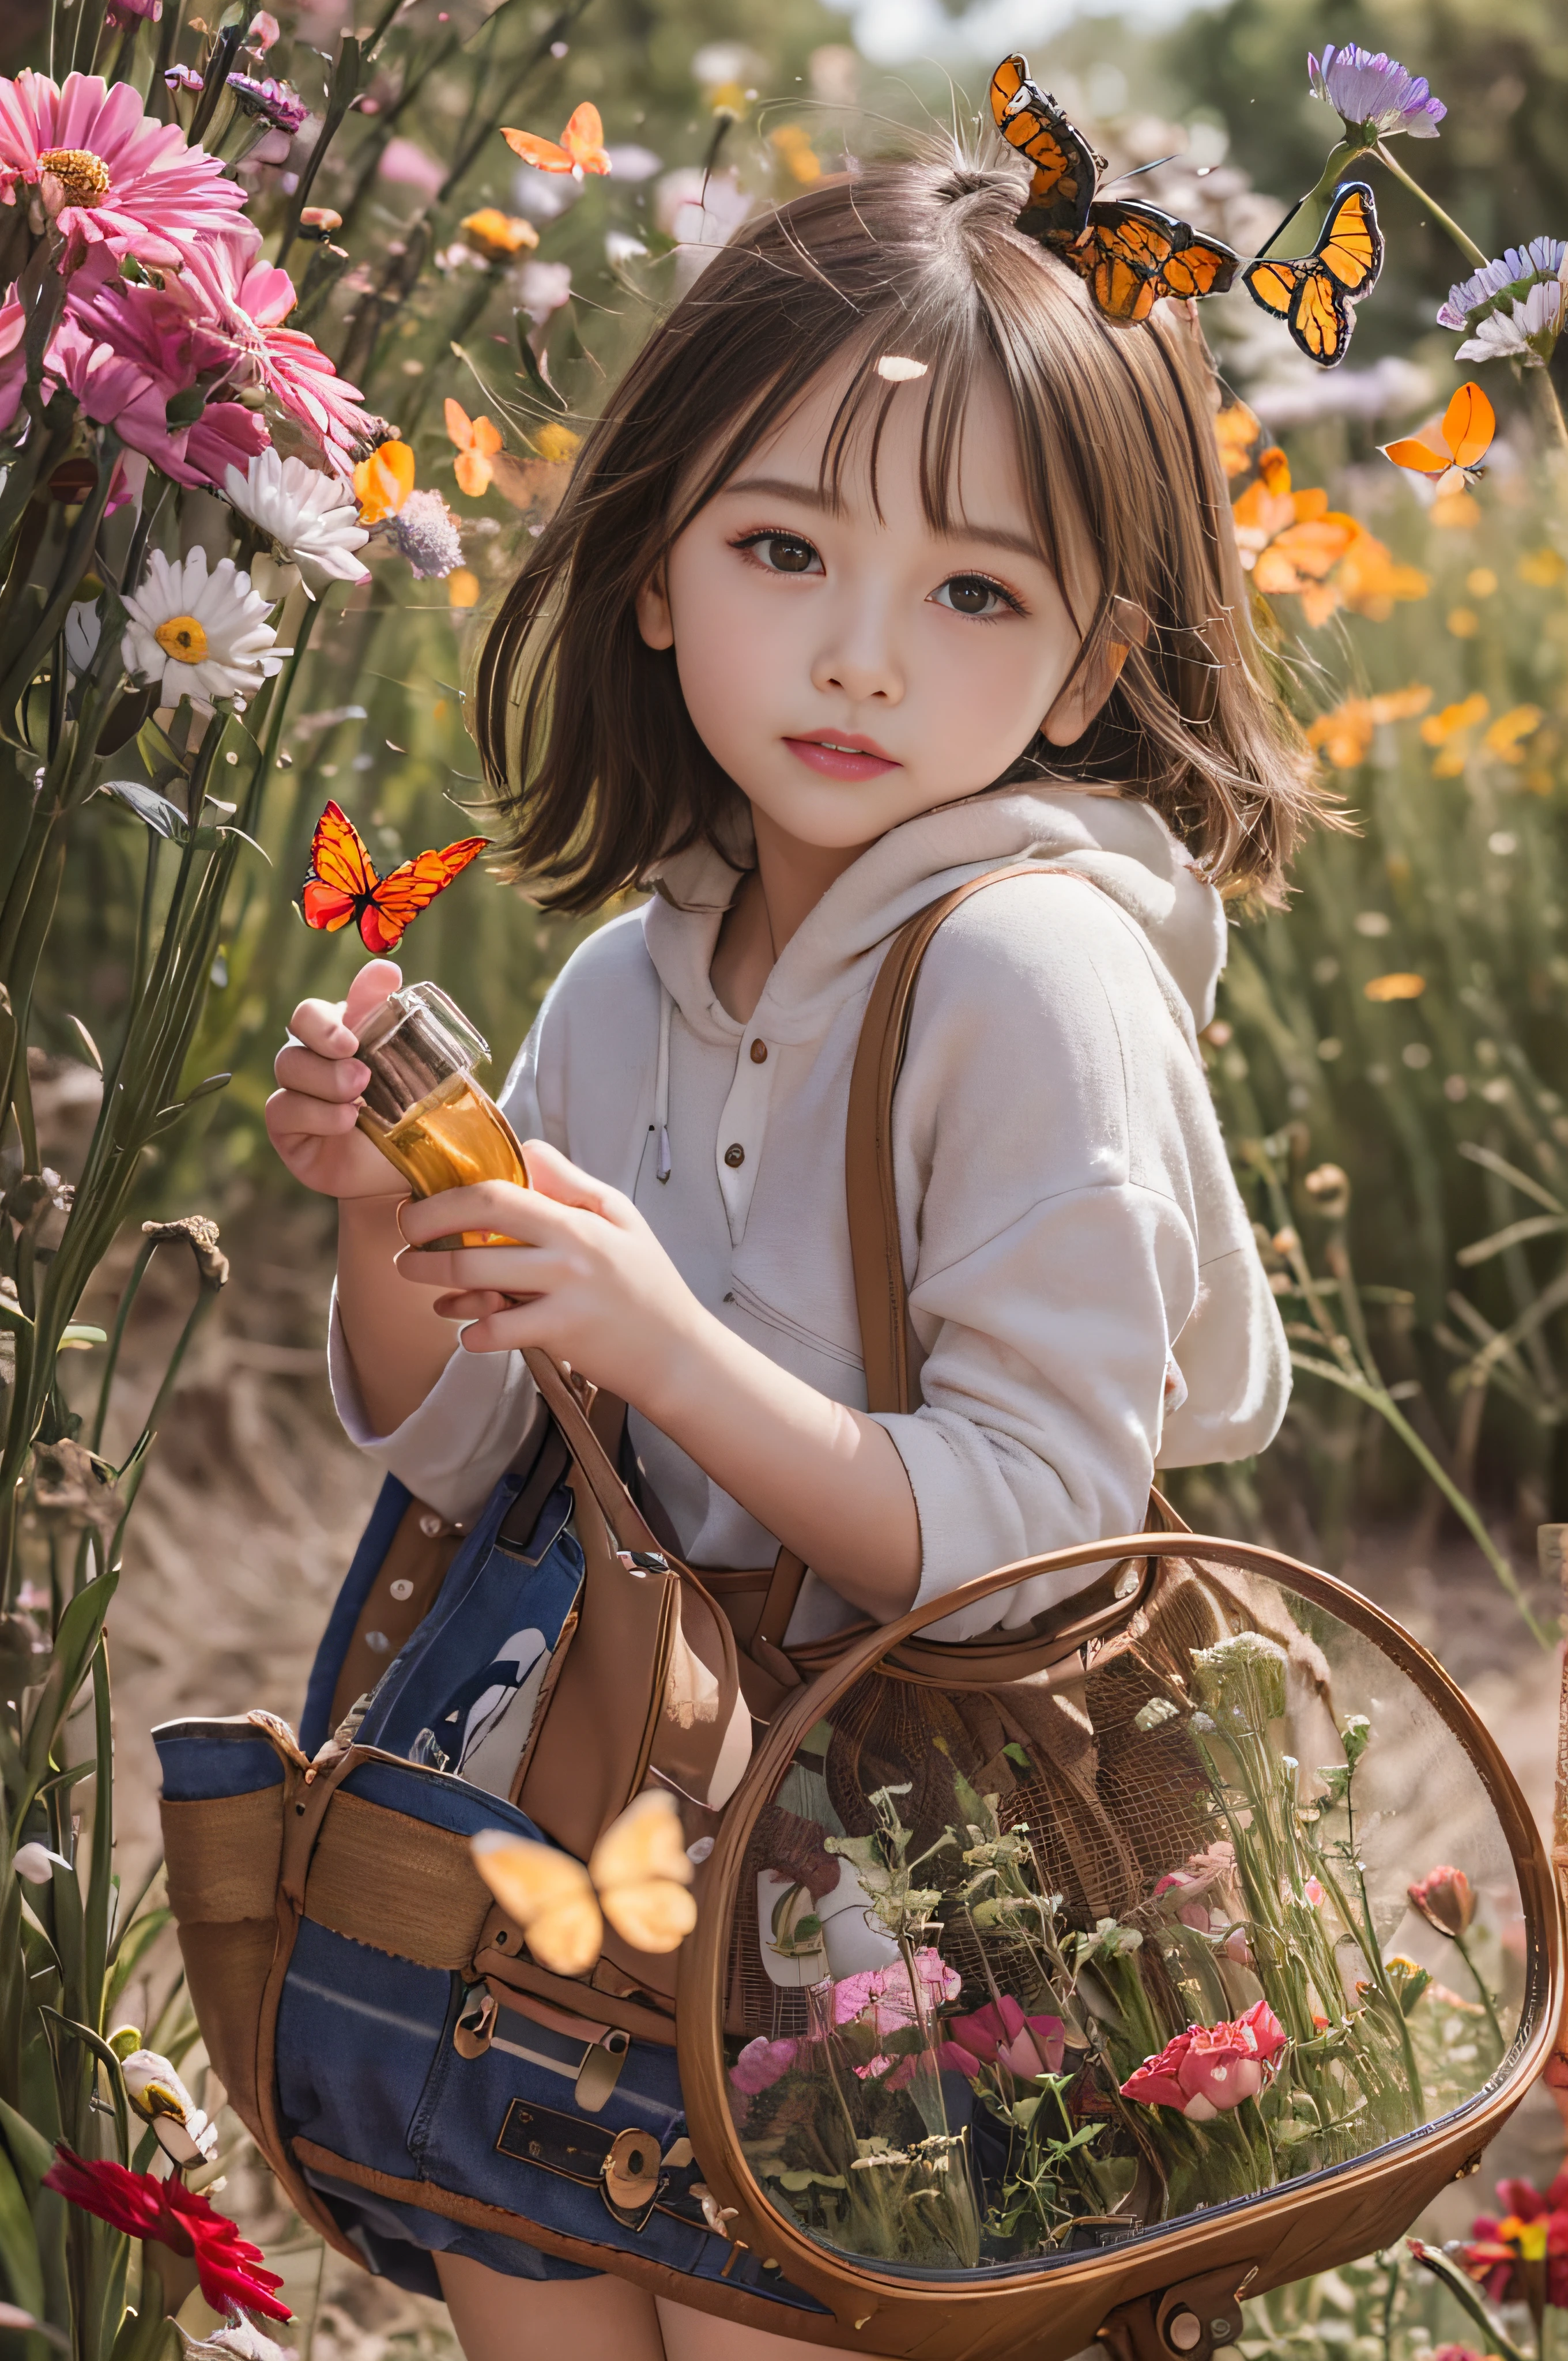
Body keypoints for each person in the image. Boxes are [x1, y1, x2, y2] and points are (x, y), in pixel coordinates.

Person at [266, 150, 1316, 2361]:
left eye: (972, 593)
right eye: (781, 548)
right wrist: (393, 1238)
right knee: (527, 2289)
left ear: (1087, 662)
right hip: (577, 1876)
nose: (857, 652)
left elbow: (1035, 1541)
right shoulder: (628, 980)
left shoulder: (1033, 974)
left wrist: (665, 1343)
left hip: (892, 1941)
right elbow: (489, 1453)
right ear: (658, 568)